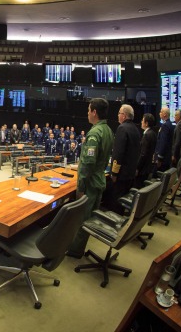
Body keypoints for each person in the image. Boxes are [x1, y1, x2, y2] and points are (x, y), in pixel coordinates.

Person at [68, 98, 114, 258]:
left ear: (94, 112)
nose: (87, 113)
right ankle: (78, 246)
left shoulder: (94, 133)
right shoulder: (108, 130)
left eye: (89, 110)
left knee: (82, 219)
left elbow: (87, 163)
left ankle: (74, 250)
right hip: (99, 180)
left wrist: (80, 187)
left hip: (90, 184)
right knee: (90, 218)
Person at [102, 104, 141, 213]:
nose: (118, 115)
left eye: (119, 113)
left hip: (121, 174)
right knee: (123, 199)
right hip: (130, 173)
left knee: (116, 201)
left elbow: (118, 153)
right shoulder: (136, 129)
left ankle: (114, 223)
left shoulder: (122, 128)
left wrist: (114, 173)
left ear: (124, 115)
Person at [135, 114, 157, 187]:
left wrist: (137, 167)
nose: (141, 122)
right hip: (148, 167)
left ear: (146, 123)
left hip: (143, 169)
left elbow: (143, 154)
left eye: (142, 120)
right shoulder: (153, 133)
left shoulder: (147, 135)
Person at [154, 107, 174, 173]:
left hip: (163, 159)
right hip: (167, 157)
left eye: (161, 112)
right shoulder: (169, 124)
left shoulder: (165, 126)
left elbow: (163, 142)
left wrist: (159, 158)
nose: (159, 113)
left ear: (165, 114)